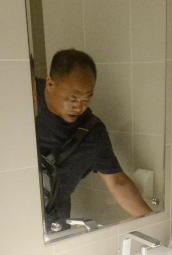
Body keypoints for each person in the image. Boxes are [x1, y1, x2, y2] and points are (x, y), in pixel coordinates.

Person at [35, 49, 151, 228]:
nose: (78, 106)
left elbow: (118, 182)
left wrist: (152, 222)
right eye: (73, 98)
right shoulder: (26, 98)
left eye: (86, 99)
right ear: (50, 83)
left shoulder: (91, 132)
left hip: (55, 224)